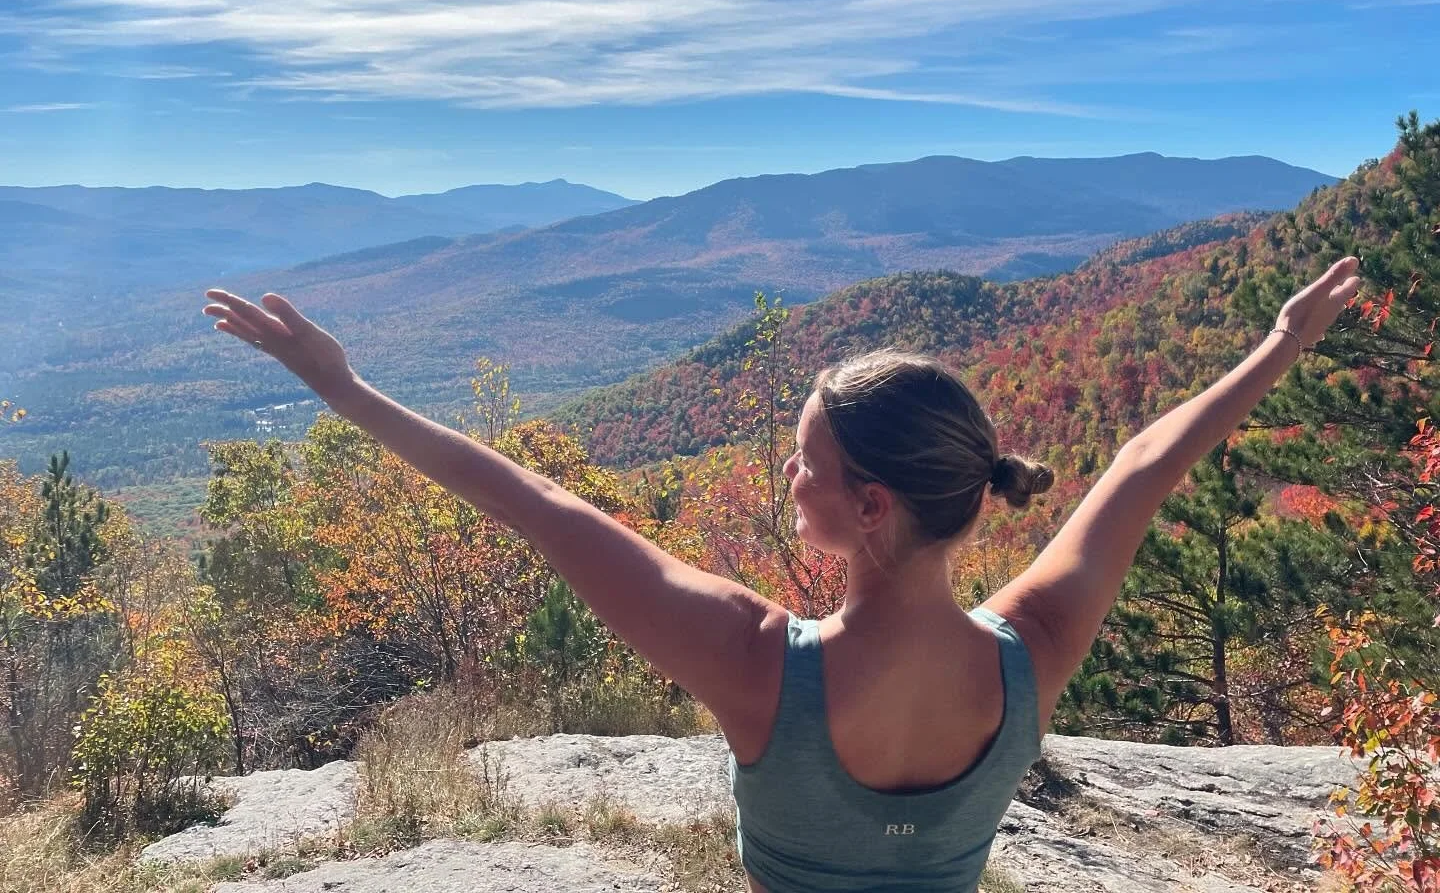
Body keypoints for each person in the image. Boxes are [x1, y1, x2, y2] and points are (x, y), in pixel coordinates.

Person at [201, 254, 1361, 892]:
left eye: (804, 461)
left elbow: (539, 508)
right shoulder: (1036, 653)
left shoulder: (758, 666)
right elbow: (1144, 465)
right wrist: (1280, 342)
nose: (785, 474)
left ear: (868, 505)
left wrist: (345, 392)